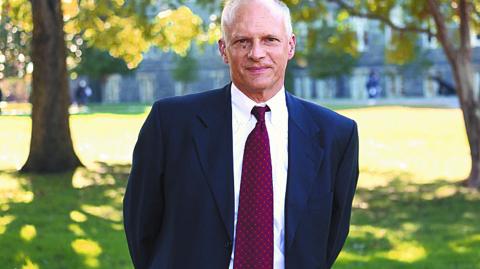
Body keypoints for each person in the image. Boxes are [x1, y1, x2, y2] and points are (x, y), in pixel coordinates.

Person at [123, 0, 359, 268]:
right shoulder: (171, 125)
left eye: (270, 39)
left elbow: (331, 235)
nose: (256, 53)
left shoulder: (336, 135)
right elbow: (141, 225)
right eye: (242, 42)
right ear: (224, 50)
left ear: (290, 45)